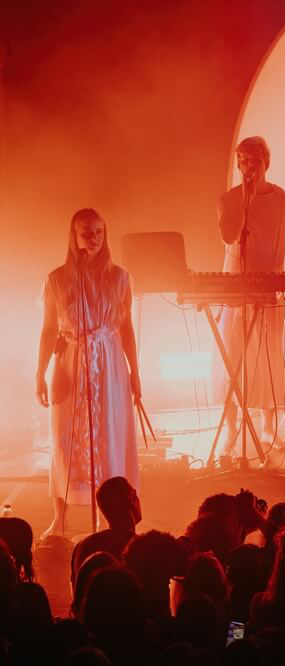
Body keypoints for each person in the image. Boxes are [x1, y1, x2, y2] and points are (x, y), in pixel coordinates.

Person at [36, 208, 140, 539]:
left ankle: (107, 520)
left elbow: (127, 328)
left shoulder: (120, 277)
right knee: (63, 438)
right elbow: (48, 330)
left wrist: (135, 374)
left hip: (109, 362)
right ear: (74, 236)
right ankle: (60, 518)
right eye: (86, 233)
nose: (93, 238)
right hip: (71, 360)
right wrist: (40, 373)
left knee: (109, 437)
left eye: (99, 232)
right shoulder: (57, 279)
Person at [217, 136, 285, 454]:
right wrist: (246, 200)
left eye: (254, 158)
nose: (248, 164)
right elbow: (228, 235)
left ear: (266, 161)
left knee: (269, 358)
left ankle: (269, 428)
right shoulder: (228, 200)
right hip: (235, 292)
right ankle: (231, 429)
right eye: (242, 159)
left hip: (270, 291)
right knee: (231, 360)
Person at [70, 477, 141, 585]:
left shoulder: (81, 547)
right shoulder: (140, 547)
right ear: (131, 499)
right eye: (135, 494)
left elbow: (74, 589)